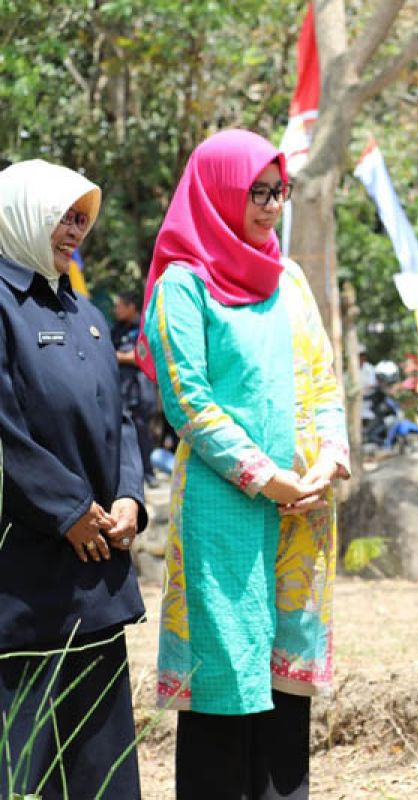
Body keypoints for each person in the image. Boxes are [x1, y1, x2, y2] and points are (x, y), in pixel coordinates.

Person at [140, 130, 350, 800]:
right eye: (255, 192)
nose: (268, 207)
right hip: (225, 514)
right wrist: (268, 477)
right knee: (223, 693)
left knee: (286, 698)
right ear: (218, 192)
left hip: (303, 515)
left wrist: (326, 462)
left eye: (277, 192)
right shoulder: (182, 284)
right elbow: (187, 401)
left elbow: (322, 378)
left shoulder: (286, 277)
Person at [0, 160, 146, 798]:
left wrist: (129, 497)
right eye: (63, 214)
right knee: (23, 768)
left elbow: (123, 419)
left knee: (99, 769)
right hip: (23, 585)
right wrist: (68, 510)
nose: (74, 229)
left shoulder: (82, 309)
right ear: (22, 213)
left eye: (82, 217)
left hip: (95, 580)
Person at [112, 288, 159, 486]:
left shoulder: (144, 327)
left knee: (142, 432)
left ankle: (148, 473)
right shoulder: (117, 329)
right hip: (122, 390)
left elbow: (143, 356)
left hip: (141, 390)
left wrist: (121, 357)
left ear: (131, 307)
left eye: (119, 306)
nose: (116, 310)